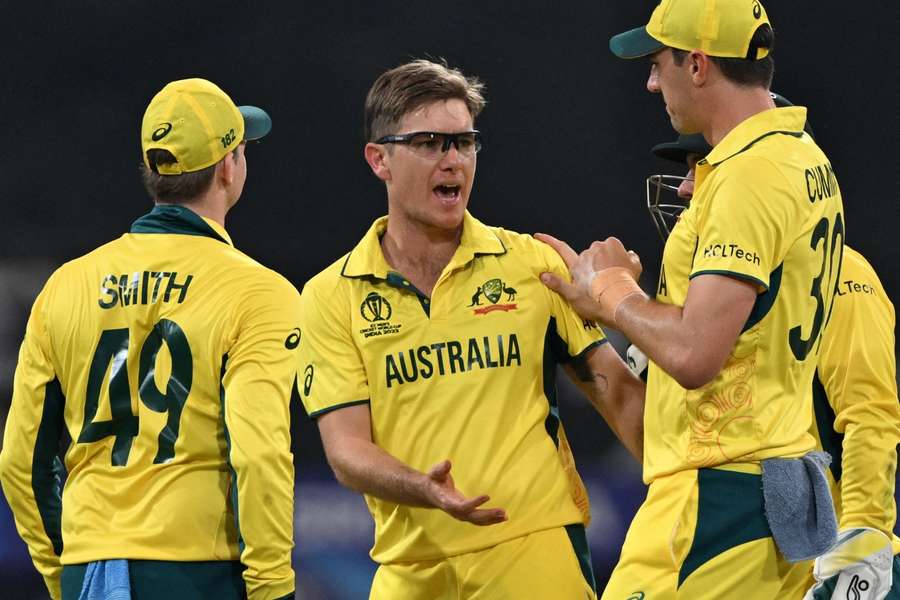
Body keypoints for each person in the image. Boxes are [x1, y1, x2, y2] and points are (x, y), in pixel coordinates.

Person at [296, 58, 645, 599]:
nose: (453, 160)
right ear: (379, 160)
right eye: (431, 142)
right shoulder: (331, 295)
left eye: (464, 142)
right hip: (410, 566)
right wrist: (422, 489)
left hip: (532, 549)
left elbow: (619, 396)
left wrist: (687, 482)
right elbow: (345, 450)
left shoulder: (532, 265)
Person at [537, 0, 847, 597]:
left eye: (658, 64)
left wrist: (613, 290)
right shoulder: (805, 157)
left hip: (718, 500)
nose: (652, 82)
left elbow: (696, 353)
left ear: (699, 65)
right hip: (774, 487)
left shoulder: (748, 173)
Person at [0, 78, 299, 600]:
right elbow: (259, 454)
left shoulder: (65, 286)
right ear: (229, 166)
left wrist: (62, 571)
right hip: (197, 574)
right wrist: (273, 586)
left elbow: (21, 461)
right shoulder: (259, 292)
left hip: (88, 566)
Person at [645, 108, 900, 600]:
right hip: (772, 537)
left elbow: (869, 412)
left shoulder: (843, 271)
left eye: (706, 165)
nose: (685, 188)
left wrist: (865, 535)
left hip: (830, 558)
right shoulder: (717, 296)